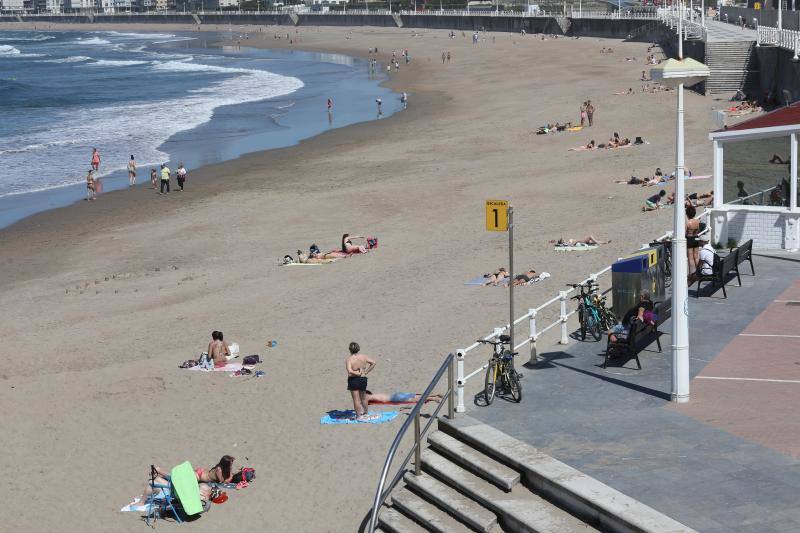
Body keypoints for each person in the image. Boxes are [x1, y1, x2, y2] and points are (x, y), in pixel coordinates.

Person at [345, 342, 377, 421]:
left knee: (356, 399)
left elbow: (349, 370)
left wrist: (356, 373)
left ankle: (359, 416)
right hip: (363, 379)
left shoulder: (349, 359)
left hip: (353, 380)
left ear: (350, 350)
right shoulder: (363, 357)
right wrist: (366, 372)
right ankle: (366, 413)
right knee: (363, 398)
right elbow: (373, 362)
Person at [685, 204, 701, 277]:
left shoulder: (688, 223)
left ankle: (692, 273)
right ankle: (698, 271)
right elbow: (698, 230)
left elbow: (685, 232)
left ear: (687, 214)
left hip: (690, 239)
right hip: (696, 238)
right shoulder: (697, 221)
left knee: (690, 257)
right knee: (696, 256)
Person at [366, 391, 443, 404]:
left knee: (415, 399)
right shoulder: (374, 395)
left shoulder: (369, 397)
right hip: (395, 395)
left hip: (394, 398)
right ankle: (434, 394)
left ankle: (433, 398)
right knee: (414, 396)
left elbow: (363, 401)